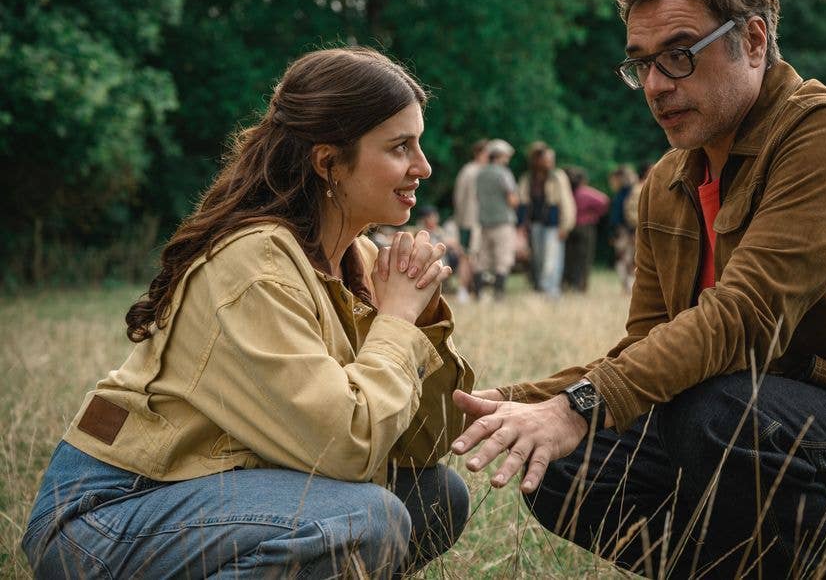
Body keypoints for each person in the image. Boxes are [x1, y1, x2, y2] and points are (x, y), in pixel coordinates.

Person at [451, 0, 826, 578]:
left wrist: (578, 404)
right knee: (560, 464)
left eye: (680, 55)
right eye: (642, 65)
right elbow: (648, 349)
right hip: (766, 430)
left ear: (755, 41)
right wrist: (519, 406)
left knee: (719, 412)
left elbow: (744, 319)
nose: (657, 85)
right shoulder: (665, 184)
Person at [21, 47, 475, 578]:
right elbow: (345, 447)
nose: (423, 166)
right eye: (400, 147)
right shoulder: (254, 263)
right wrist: (396, 324)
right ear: (328, 162)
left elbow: (426, 443)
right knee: (364, 517)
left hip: (213, 493)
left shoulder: (363, 260)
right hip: (105, 517)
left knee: (437, 496)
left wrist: (420, 318)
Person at [517, 142, 576, 298]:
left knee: (552, 258)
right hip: (535, 223)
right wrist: (521, 226)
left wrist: (566, 226)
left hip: (554, 223)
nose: (550, 162)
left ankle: (551, 290)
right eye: (547, 159)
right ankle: (541, 288)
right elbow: (523, 203)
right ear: (537, 160)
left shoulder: (558, 177)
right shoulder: (528, 179)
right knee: (538, 259)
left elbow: (567, 202)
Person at [474, 139, 518, 300]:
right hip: (503, 222)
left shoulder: (481, 173)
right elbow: (512, 199)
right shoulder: (504, 173)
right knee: (503, 259)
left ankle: (479, 293)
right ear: (500, 156)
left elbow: (477, 197)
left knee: (483, 258)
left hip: (485, 222)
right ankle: (499, 295)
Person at [562, 167, 609, 292]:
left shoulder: (565, 192)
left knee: (569, 257)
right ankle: (581, 285)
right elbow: (604, 201)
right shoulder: (585, 192)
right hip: (586, 227)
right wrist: (595, 214)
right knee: (584, 257)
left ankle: (568, 283)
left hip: (568, 227)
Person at [452, 139, 489, 299]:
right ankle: (462, 289)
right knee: (466, 256)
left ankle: (477, 290)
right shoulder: (469, 171)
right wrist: (460, 220)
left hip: (483, 222)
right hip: (468, 220)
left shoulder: (488, 171)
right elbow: (459, 197)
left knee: (480, 257)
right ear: (479, 153)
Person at [416, 204, 468, 299]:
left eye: (435, 216)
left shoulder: (439, 231)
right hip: (430, 262)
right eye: (431, 216)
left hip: (444, 260)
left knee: (464, 257)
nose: (434, 218)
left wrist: (456, 248)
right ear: (424, 219)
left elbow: (452, 243)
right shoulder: (420, 232)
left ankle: (462, 289)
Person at [607, 164, 639, 292]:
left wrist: (632, 231)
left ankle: (629, 286)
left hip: (628, 230)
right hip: (621, 230)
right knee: (623, 258)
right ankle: (626, 286)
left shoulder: (630, 193)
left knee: (629, 259)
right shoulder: (621, 193)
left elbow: (631, 214)